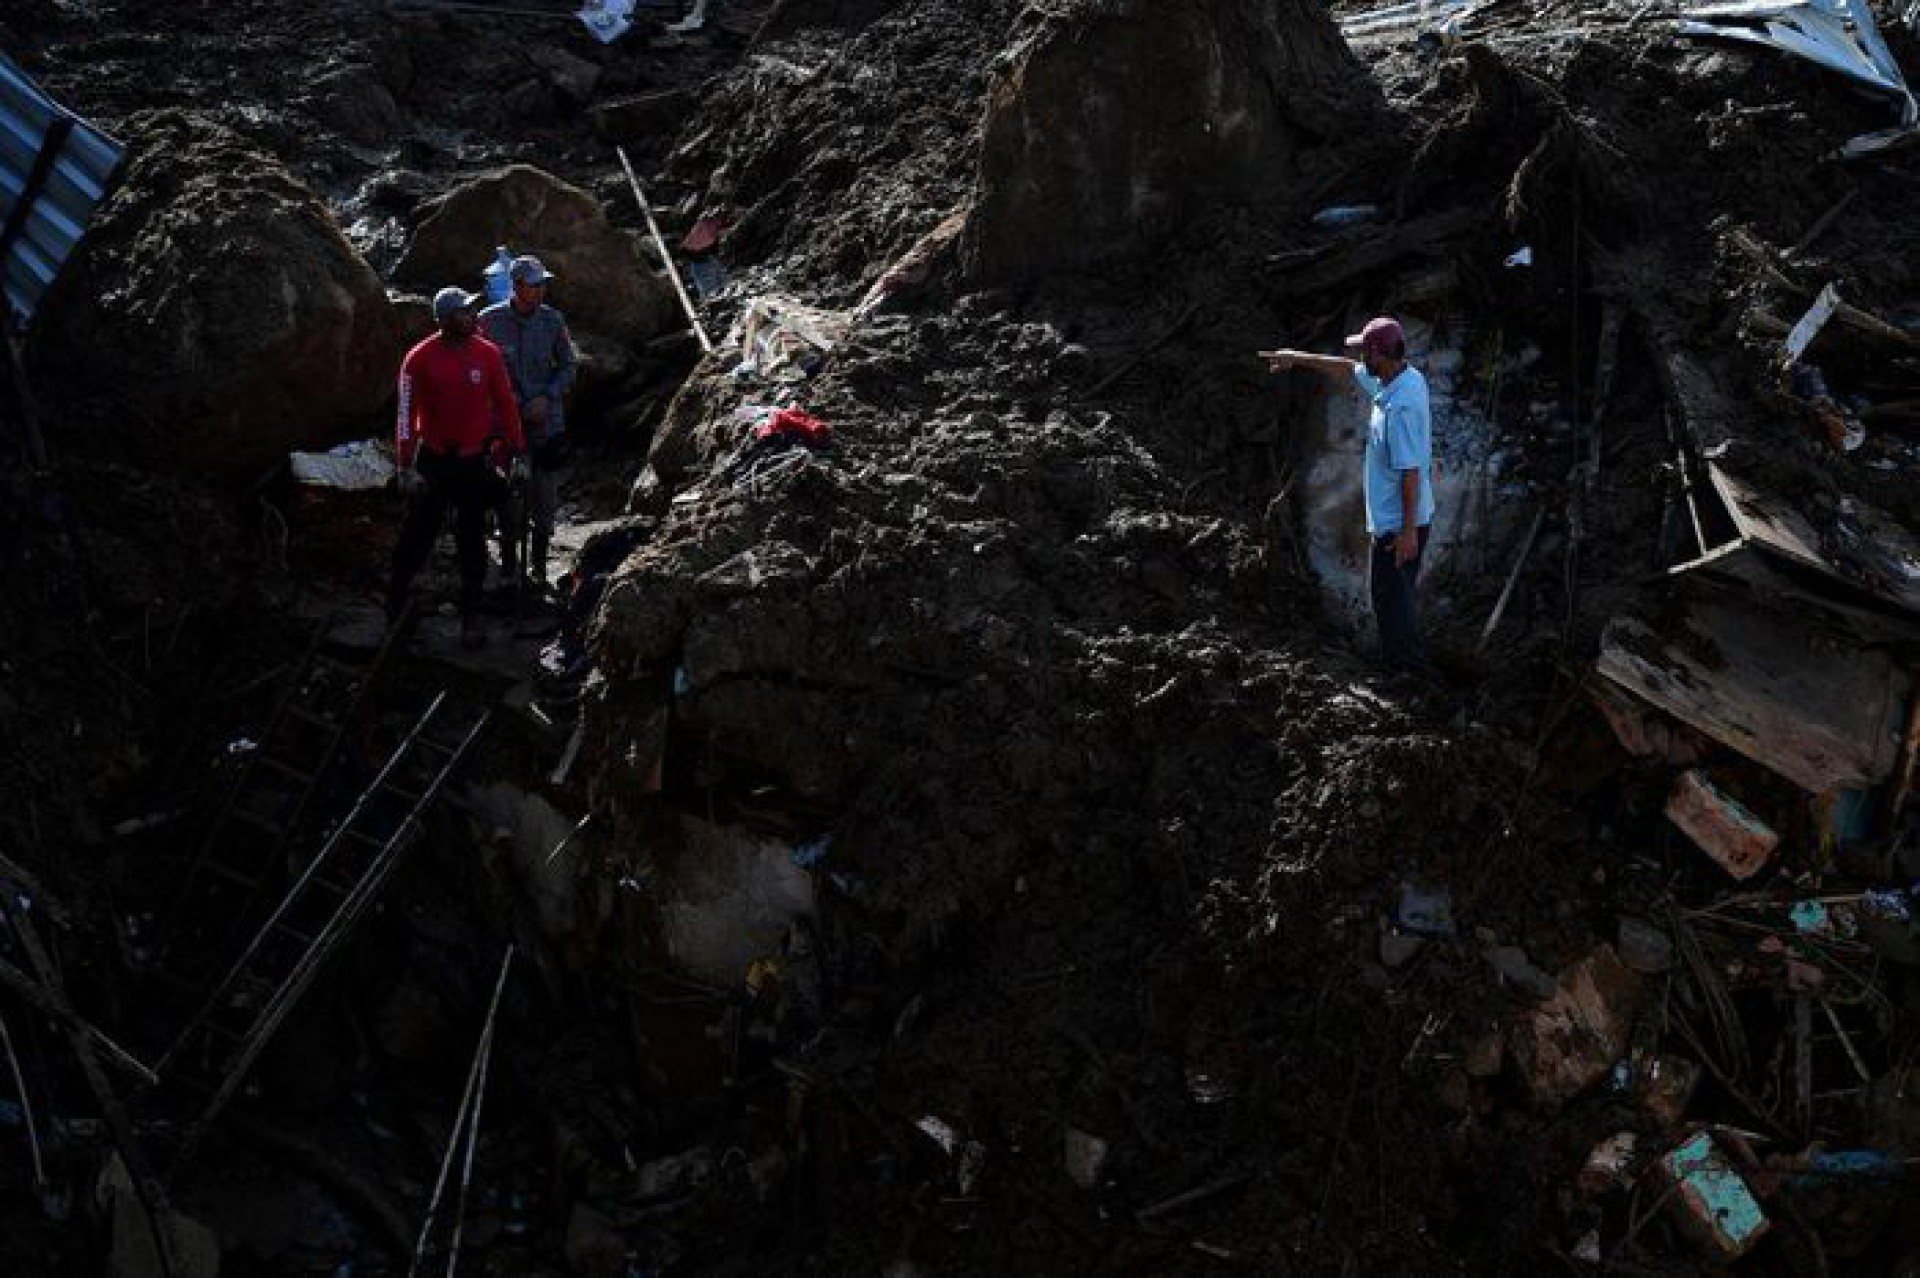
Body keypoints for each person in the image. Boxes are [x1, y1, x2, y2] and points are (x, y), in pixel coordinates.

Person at [1262, 316, 1438, 676]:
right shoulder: (1401, 379)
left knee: (1391, 602)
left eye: (1364, 351)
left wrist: (1405, 532)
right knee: (1394, 599)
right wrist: (1294, 356)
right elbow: (1345, 369)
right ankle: (1406, 666)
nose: (1359, 357)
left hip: (1399, 525)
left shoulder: (1398, 409)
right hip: (1405, 520)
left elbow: (1411, 473)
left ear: (1379, 354)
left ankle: (1409, 676)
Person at [389, 286, 525, 648]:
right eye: (464, 313)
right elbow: (405, 414)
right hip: (433, 462)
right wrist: (405, 465)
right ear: (446, 320)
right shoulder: (419, 358)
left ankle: (471, 618)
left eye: (471, 311)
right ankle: (394, 606)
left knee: (472, 541)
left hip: (473, 462)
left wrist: (517, 449)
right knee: (416, 536)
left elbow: (506, 404)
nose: (472, 317)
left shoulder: (488, 354)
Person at [479, 255, 577, 590]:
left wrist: (547, 396)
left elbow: (568, 366)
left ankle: (538, 568)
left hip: (546, 423)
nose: (540, 290)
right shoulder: (489, 322)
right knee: (506, 497)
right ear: (517, 286)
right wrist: (514, 403)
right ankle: (508, 568)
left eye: (542, 284)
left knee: (544, 498)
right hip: (504, 426)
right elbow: (480, 374)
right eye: (534, 285)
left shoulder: (553, 321)